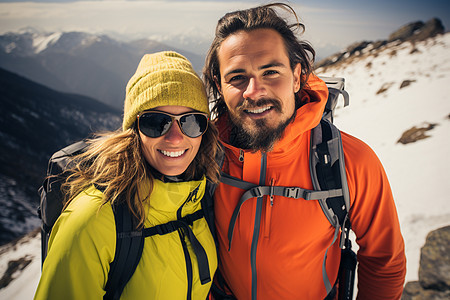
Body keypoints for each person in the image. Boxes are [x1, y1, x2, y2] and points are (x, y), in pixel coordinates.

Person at [203, 3, 406, 300]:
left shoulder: (350, 161)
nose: (253, 91)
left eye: (270, 71)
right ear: (220, 87)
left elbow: (384, 261)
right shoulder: (202, 155)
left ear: (297, 77)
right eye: (237, 78)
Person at [34, 51, 221, 299]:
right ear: (133, 130)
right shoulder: (93, 219)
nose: (176, 138)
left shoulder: (202, 198)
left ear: (204, 129)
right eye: (156, 122)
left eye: (191, 121)